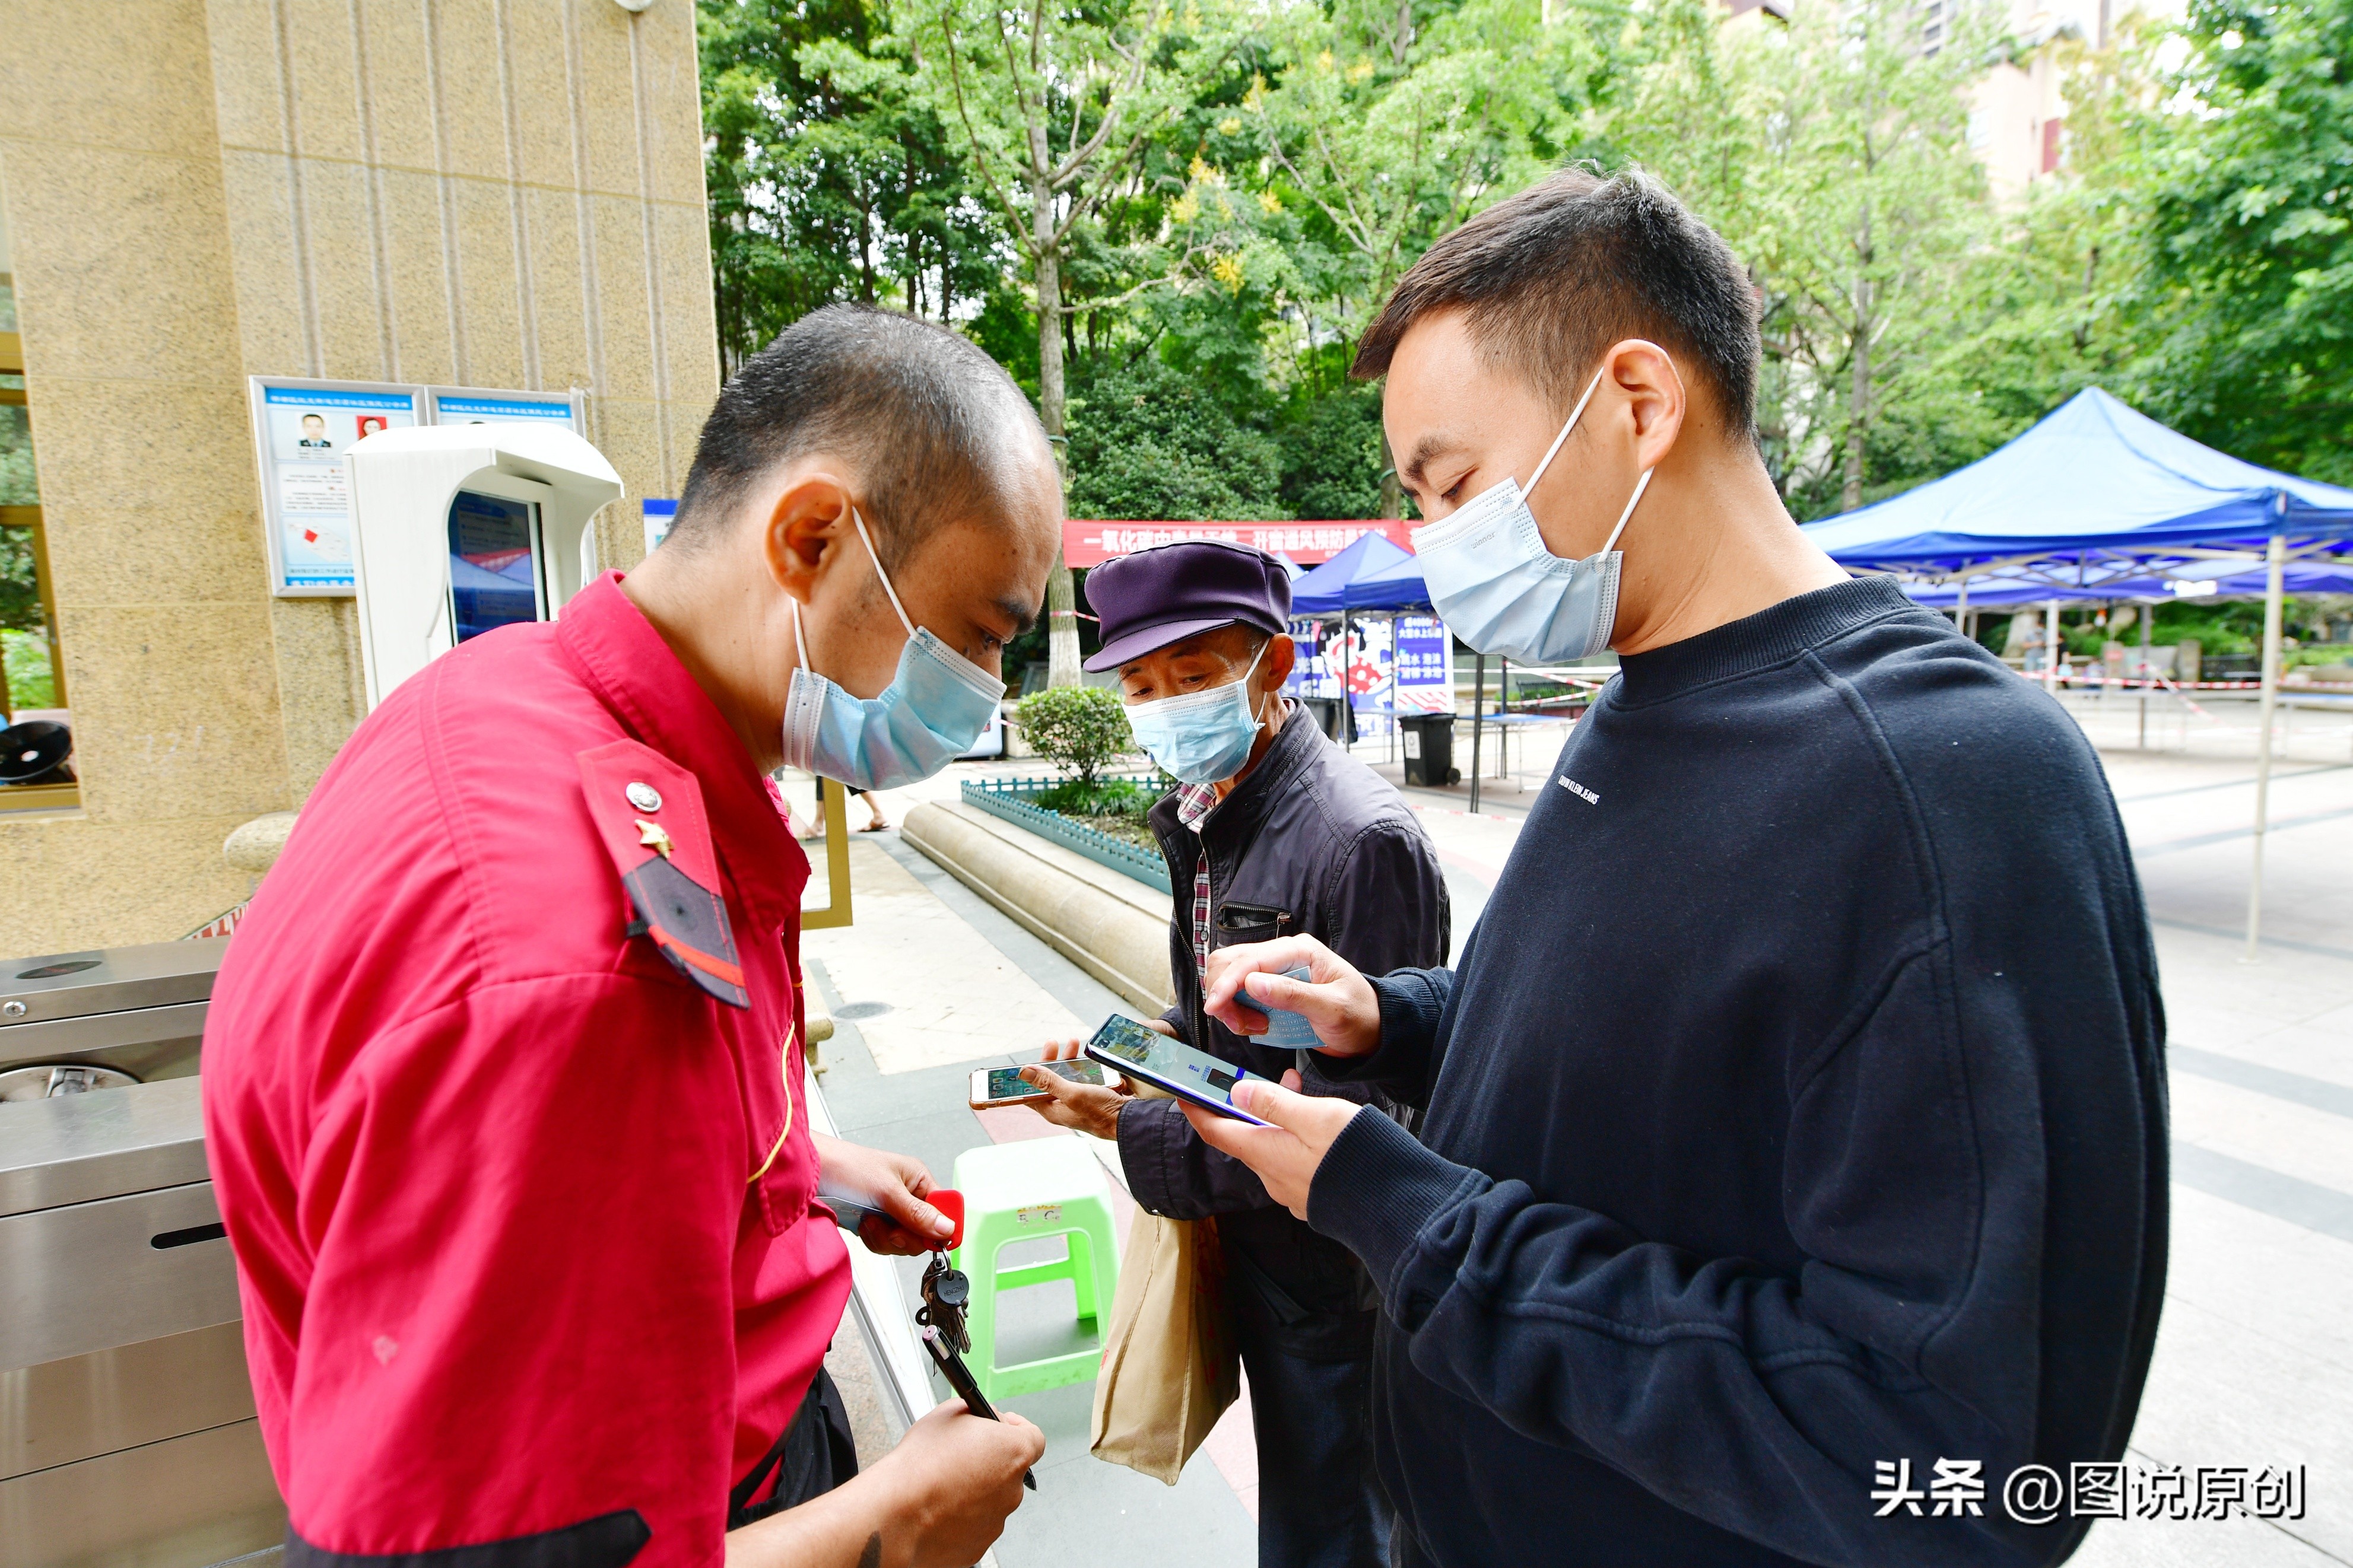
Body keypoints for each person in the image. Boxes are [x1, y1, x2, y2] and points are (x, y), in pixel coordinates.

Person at [1177, 171, 2167, 1568]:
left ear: (1640, 401)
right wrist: (1395, 1016)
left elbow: (1951, 1456)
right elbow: (1654, 1049)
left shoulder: (1947, 785)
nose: (1436, 539)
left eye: (1450, 484)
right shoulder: (1640, 696)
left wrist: (1405, 1211)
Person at [203, 305, 1057, 1568]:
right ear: (813, 537)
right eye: (981, 635)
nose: (984, 689)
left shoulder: (512, 696)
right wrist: (899, 1522)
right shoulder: (579, 977)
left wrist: (791, 1167)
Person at [1018, 539, 1449, 1568]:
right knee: (1307, 1487)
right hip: (1256, 1235)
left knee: (1333, 1510)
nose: (1165, 704)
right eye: (1140, 684)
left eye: (1196, 675)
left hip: (1332, 1262)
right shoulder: (1205, 813)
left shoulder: (1358, 840)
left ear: (1275, 667)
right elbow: (1216, 1021)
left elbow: (1370, 1112)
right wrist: (1146, 1057)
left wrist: (1138, 1128)